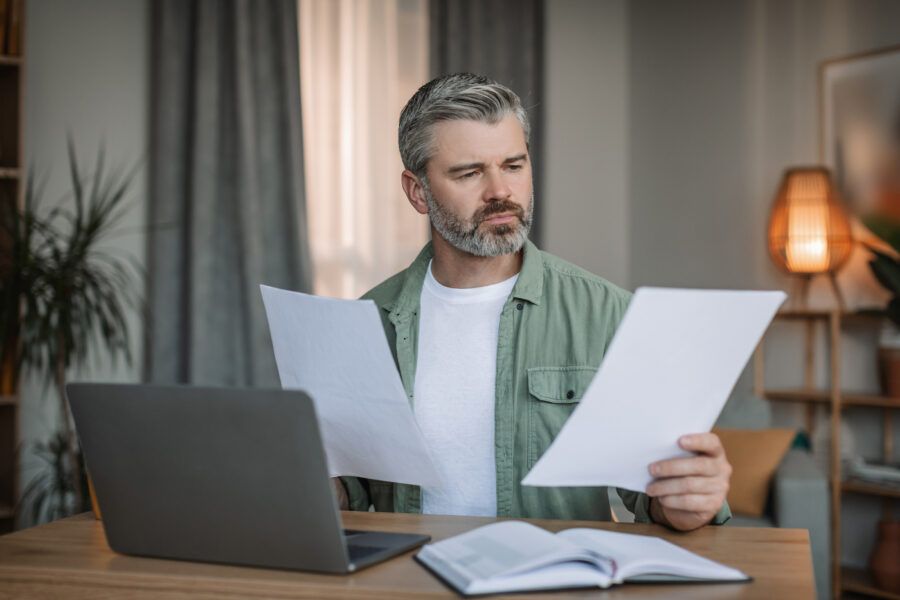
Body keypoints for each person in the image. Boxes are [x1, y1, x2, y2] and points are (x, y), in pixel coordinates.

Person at [333, 73, 731, 531]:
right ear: (418, 191)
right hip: (409, 583)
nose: (500, 191)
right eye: (469, 172)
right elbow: (349, 489)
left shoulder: (608, 316)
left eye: (514, 165)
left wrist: (690, 500)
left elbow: (657, 497)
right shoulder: (367, 322)